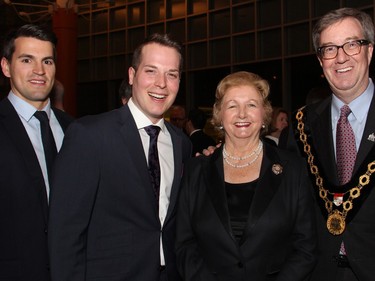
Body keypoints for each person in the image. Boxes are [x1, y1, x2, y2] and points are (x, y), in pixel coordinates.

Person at [48, 33, 192, 281]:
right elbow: (65, 232)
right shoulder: (90, 136)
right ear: (132, 75)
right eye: (151, 71)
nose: (161, 83)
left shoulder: (182, 144)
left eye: (172, 74)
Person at [176, 71, 317, 281]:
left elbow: (306, 247)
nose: (242, 114)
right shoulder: (195, 171)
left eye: (251, 105)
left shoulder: (294, 169)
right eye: (232, 105)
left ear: (264, 114)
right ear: (219, 115)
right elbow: (184, 246)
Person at [280, 7, 375, 281]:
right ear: (320, 60)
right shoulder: (300, 127)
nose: (341, 57)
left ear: (369, 51)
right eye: (329, 49)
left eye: (352, 44)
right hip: (317, 272)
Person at [0, 24, 73, 281]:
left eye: (47, 61)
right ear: (6, 66)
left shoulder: (75, 130)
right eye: (27, 59)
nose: (39, 71)